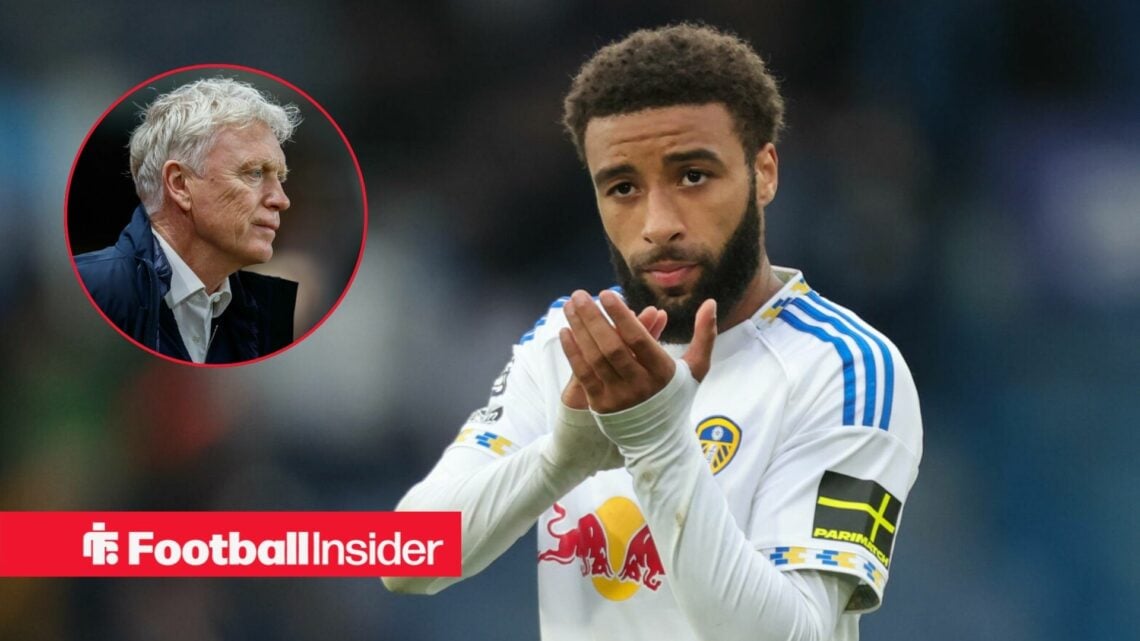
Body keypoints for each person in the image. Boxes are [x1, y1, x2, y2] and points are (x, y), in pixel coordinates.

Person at [384, 23, 923, 641]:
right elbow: (403, 560)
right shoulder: (569, 342)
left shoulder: (846, 368)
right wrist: (560, 459)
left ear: (765, 172)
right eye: (622, 188)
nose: (658, 224)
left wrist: (658, 443)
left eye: (692, 175)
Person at [75, 77, 302, 364]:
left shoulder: (267, 316)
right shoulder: (87, 291)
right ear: (180, 184)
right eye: (255, 173)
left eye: (279, 178)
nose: (281, 199)